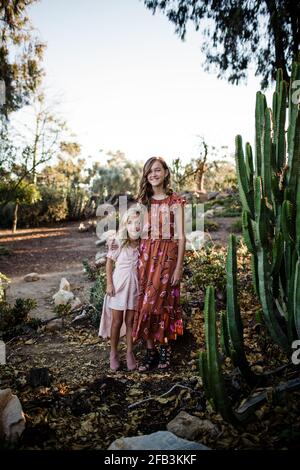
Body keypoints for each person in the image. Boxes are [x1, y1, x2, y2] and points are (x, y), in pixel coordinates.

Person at [133, 156, 186, 371]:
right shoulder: (143, 202)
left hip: (167, 258)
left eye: (157, 170)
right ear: (146, 176)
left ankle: (164, 348)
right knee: (143, 304)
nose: (153, 174)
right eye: (149, 172)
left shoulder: (175, 201)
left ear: (165, 172)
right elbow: (134, 232)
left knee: (160, 305)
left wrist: (179, 266)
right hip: (145, 258)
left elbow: (181, 236)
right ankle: (150, 350)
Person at [98, 207, 142, 372]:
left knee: (130, 321)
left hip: (134, 287)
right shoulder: (118, 241)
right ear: (125, 225)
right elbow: (109, 263)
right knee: (117, 322)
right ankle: (113, 353)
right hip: (119, 285)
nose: (134, 226)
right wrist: (109, 284)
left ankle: (129, 352)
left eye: (138, 223)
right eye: (130, 223)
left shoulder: (141, 243)